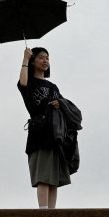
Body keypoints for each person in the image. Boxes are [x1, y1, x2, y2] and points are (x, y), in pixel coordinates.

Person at [17, 47, 70, 208]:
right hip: (39, 133)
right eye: (40, 57)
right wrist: (25, 59)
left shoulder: (53, 86)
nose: (45, 60)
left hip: (55, 134)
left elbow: (65, 106)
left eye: (47, 57)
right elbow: (23, 84)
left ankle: (52, 214)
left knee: (54, 178)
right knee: (43, 176)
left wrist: (60, 103)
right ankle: (43, 213)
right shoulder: (30, 82)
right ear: (34, 61)